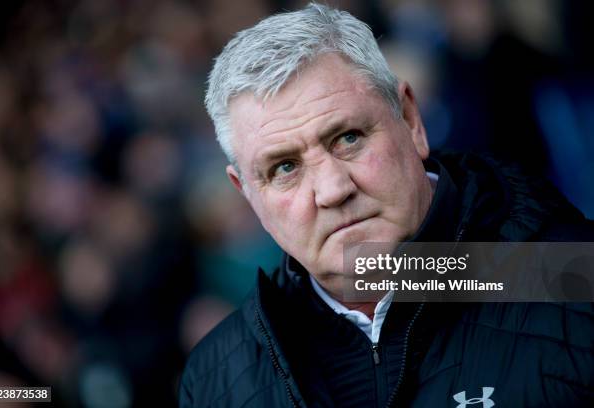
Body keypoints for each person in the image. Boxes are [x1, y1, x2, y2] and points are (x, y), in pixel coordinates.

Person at [179, 3, 594, 407]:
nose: (331, 189)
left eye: (348, 138)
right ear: (247, 193)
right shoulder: (214, 378)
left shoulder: (571, 278)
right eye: (285, 167)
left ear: (411, 120)